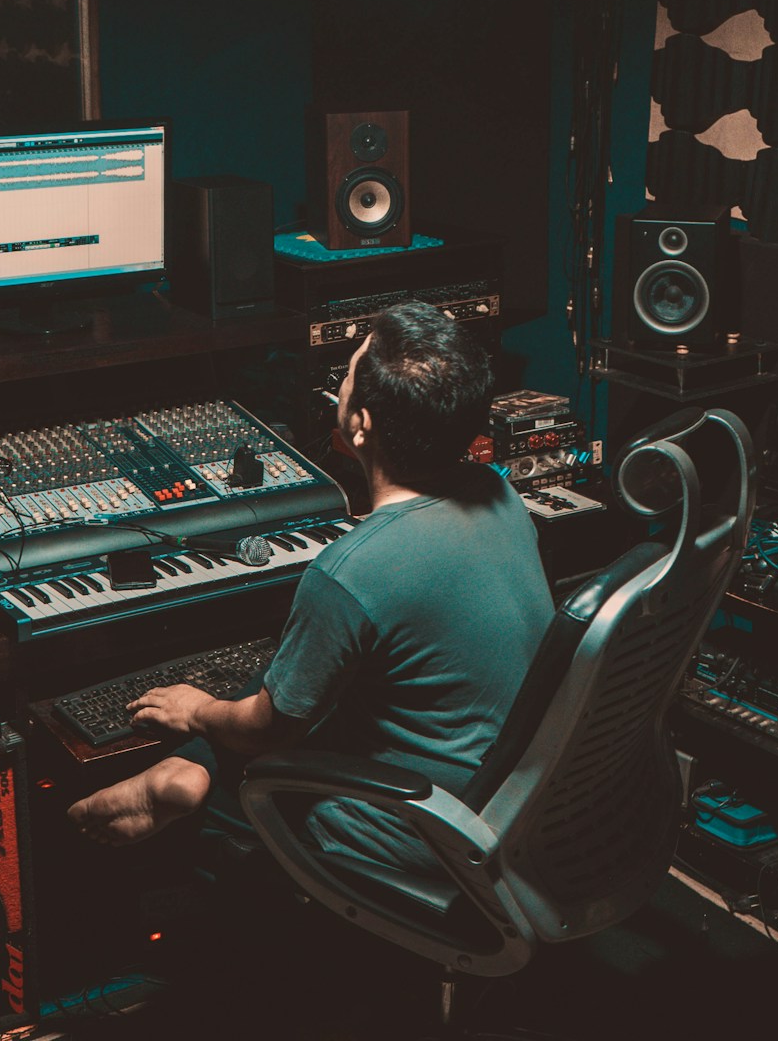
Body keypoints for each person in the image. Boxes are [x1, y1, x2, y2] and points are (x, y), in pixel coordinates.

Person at [66, 300, 558, 875]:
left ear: (361, 423)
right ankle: (188, 771)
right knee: (304, 667)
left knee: (268, 715)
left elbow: (265, 730)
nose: (340, 384)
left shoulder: (351, 572)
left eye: (346, 374)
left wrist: (199, 711)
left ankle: (194, 777)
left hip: (427, 826)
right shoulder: (500, 495)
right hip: (515, 792)